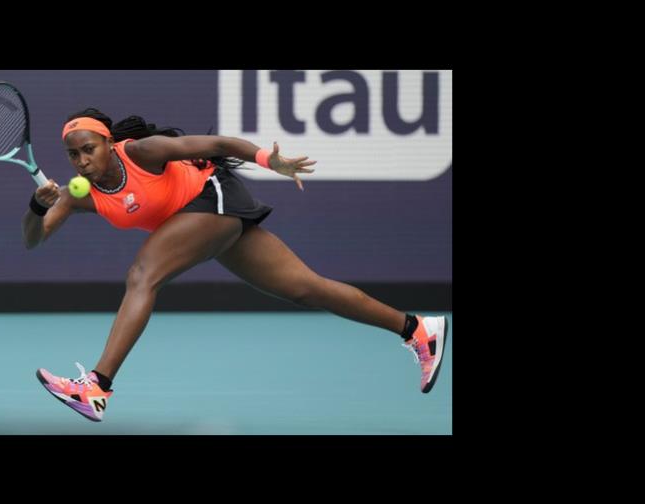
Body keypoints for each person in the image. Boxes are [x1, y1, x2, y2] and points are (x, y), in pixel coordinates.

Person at [24, 108, 448, 422]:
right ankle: (417, 329)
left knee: (142, 275)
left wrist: (270, 161)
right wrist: (36, 207)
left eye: (88, 149)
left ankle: (98, 386)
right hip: (193, 223)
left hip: (213, 196)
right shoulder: (79, 194)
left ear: (108, 144)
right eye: (73, 154)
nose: (81, 161)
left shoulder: (141, 152)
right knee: (306, 288)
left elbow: (221, 146)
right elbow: (34, 239)